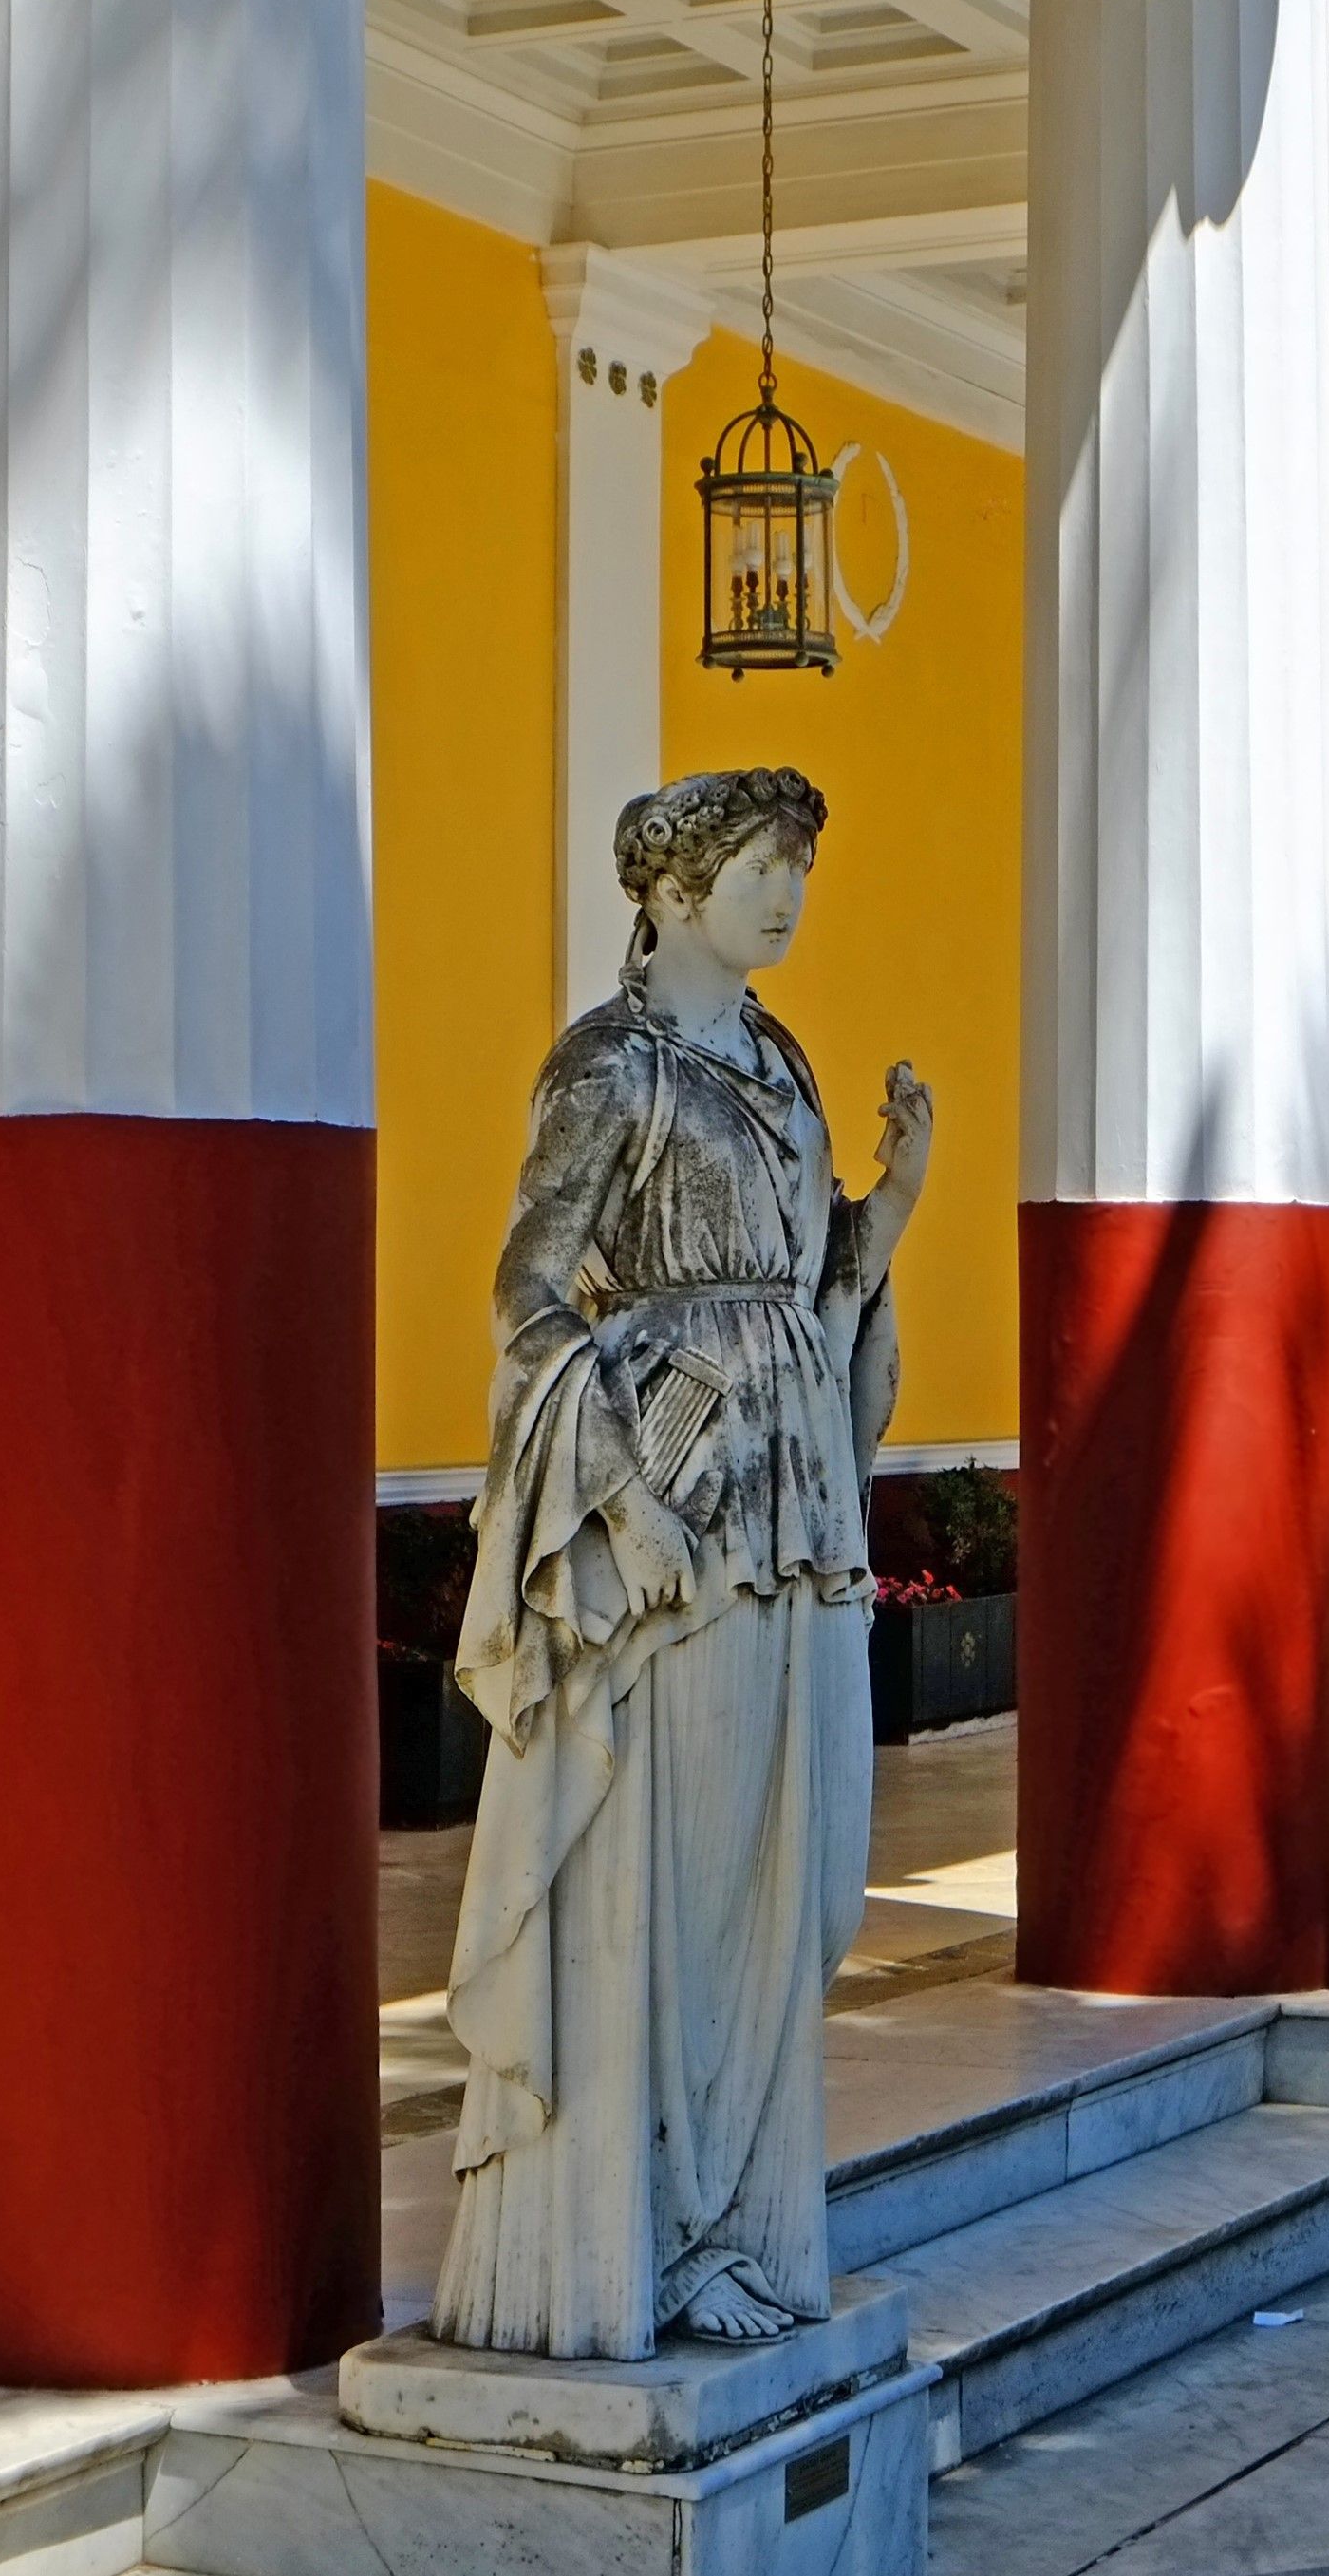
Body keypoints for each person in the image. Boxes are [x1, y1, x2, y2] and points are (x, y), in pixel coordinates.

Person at [434, 767, 932, 2360]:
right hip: (685, 1505)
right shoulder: (610, 1067)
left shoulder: (782, 1066)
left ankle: (738, 2221)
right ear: (671, 887)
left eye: (797, 863)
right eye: (759, 863)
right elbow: (531, 1301)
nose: (787, 892)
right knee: (682, 1874)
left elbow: (810, 1279)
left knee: (785, 1876)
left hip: (796, 1509)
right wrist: (623, 1504)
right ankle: (651, 2226)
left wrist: (894, 1205)